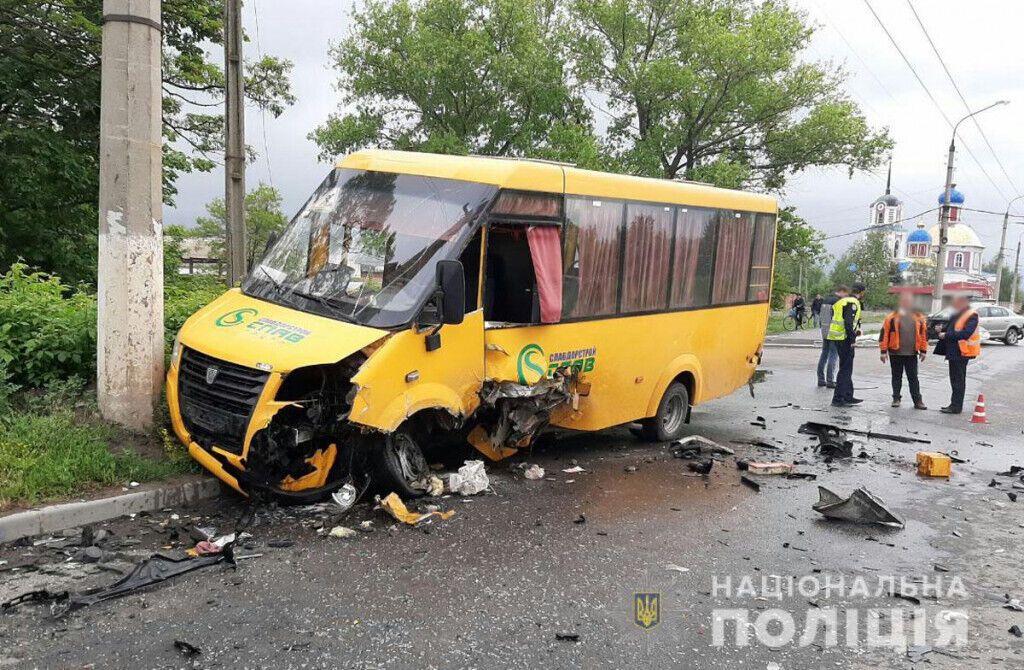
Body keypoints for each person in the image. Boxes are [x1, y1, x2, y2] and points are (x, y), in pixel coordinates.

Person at [879, 293, 928, 409]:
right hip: (895, 352)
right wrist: (883, 351)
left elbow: (923, 335)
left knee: (913, 377)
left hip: (911, 353)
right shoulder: (891, 317)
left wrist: (923, 350)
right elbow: (884, 335)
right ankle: (896, 398)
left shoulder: (919, 317)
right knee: (896, 376)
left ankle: (918, 401)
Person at [934, 295, 980, 414]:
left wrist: (946, 335)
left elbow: (966, 333)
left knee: (958, 380)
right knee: (954, 379)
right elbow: (952, 328)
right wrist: (941, 329)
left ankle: (956, 407)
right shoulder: (957, 313)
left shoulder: (971, 315)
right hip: (954, 352)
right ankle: (953, 404)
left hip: (962, 352)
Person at [828, 282, 865, 407]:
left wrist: (856, 331)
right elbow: (848, 323)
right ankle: (838, 398)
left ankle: (848, 395)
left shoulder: (842, 301)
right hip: (845, 339)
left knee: (846, 368)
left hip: (837, 337)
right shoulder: (853, 303)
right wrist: (852, 338)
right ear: (861, 292)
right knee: (845, 369)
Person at [816, 286, 847, 388]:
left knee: (824, 354)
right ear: (841, 292)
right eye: (845, 294)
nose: (845, 296)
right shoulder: (837, 302)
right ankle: (830, 380)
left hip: (824, 330)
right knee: (833, 355)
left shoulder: (826, 300)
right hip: (833, 331)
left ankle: (820, 379)